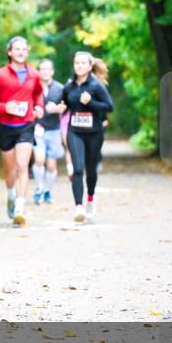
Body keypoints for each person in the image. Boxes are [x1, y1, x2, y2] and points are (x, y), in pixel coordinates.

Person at [0, 36, 45, 226]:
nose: (21, 52)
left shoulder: (34, 74)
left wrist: (39, 106)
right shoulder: (0, 75)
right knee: (9, 169)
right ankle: (10, 195)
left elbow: (38, 93)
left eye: (24, 49)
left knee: (22, 165)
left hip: (26, 125)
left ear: (27, 52)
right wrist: (4, 108)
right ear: (9, 52)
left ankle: (20, 206)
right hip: (5, 126)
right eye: (17, 49)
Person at [62, 51, 114, 222]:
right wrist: (57, 107)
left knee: (91, 170)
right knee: (77, 169)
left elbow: (109, 106)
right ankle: (79, 207)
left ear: (90, 66)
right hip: (75, 131)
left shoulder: (96, 86)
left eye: (83, 63)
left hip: (94, 133)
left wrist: (90, 102)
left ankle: (90, 199)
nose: (79, 66)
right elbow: (63, 103)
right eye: (77, 63)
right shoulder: (69, 86)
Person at [32, 59, 66, 204]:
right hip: (38, 129)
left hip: (54, 130)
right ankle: (39, 189)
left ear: (52, 71)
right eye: (42, 69)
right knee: (39, 160)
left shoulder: (60, 88)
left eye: (48, 69)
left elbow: (66, 107)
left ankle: (47, 191)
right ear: (39, 71)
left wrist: (58, 109)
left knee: (51, 165)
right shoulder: (33, 87)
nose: (45, 71)